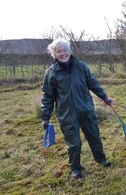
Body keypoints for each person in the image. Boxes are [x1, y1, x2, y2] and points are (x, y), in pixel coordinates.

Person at [41, 39, 114, 179]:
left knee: (94, 137)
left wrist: (105, 97)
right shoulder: (51, 73)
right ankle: (75, 168)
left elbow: (93, 83)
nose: (63, 53)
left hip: (86, 109)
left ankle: (100, 158)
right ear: (54, 54)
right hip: (66, 114)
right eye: (59, 51)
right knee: (74, 143)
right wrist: (45, 116)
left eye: (65, 50)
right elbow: (48, 96)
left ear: (70, 51)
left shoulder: (81, 66)